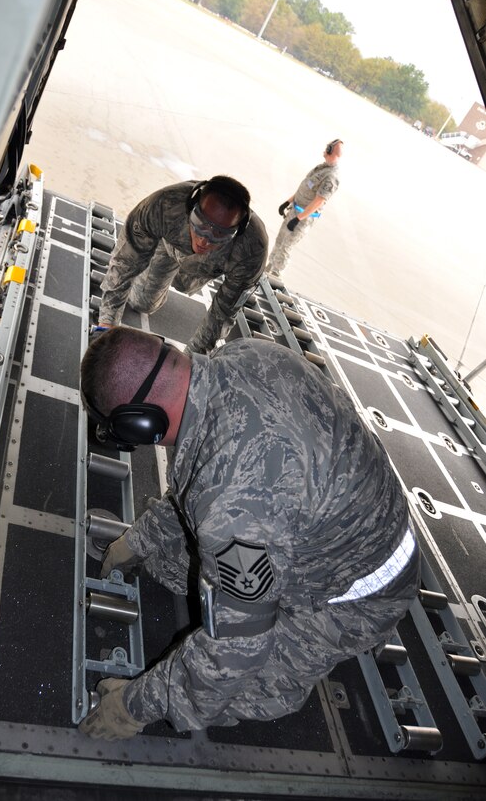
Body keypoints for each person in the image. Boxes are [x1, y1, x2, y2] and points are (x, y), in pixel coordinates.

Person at [78, 326, 420, 739]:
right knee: (171, 562)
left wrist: (137, 705)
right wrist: (139, 539)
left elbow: (236, 650)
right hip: (339, 518)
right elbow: (206, 475)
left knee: (243, 686)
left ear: (139, 423)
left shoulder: (233, 505)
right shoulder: (244, 353)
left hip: (359, 594)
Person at [98, 176, 268, 354]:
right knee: (142, 303)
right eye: (200, 224)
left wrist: (191, 359)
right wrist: (106, 323)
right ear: (192, 206)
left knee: (184, 284)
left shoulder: (253, 249)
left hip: (207, 268)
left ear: (237, 231)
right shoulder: (164, 204)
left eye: (219, 233)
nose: (204, 240)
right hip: (170, 246)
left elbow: (223, 313)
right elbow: (125, 263)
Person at [267, 139, 343, 277]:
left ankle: (276, 274)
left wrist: (298, 218)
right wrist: (288, 202)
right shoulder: (322, 167)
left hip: (303, 218)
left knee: (286, 246)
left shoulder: (331, 176)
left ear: (331, 151)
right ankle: (269, 267)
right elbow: (305, 187)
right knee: (280, 240)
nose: (325, 149)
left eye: (328, 147)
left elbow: (319, 201)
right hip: (294, 211)